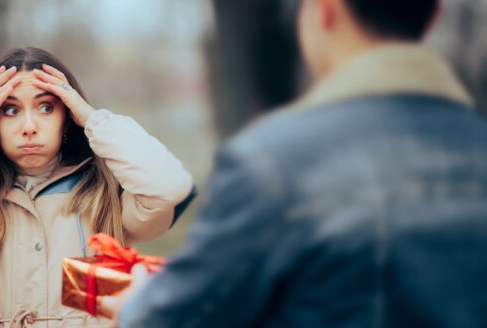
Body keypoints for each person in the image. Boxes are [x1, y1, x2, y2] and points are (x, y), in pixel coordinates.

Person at [103, 0, 487, 327]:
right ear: (434, 16)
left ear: (325, 10)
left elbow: (176, 317)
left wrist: (138, 304)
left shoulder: (271, 163)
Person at [0, 47, 195, 327]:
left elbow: (169, 187)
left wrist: (93, 119)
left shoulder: (102, 198)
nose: (29, 128)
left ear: (67, 116)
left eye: (46, 107)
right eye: (10, 110)